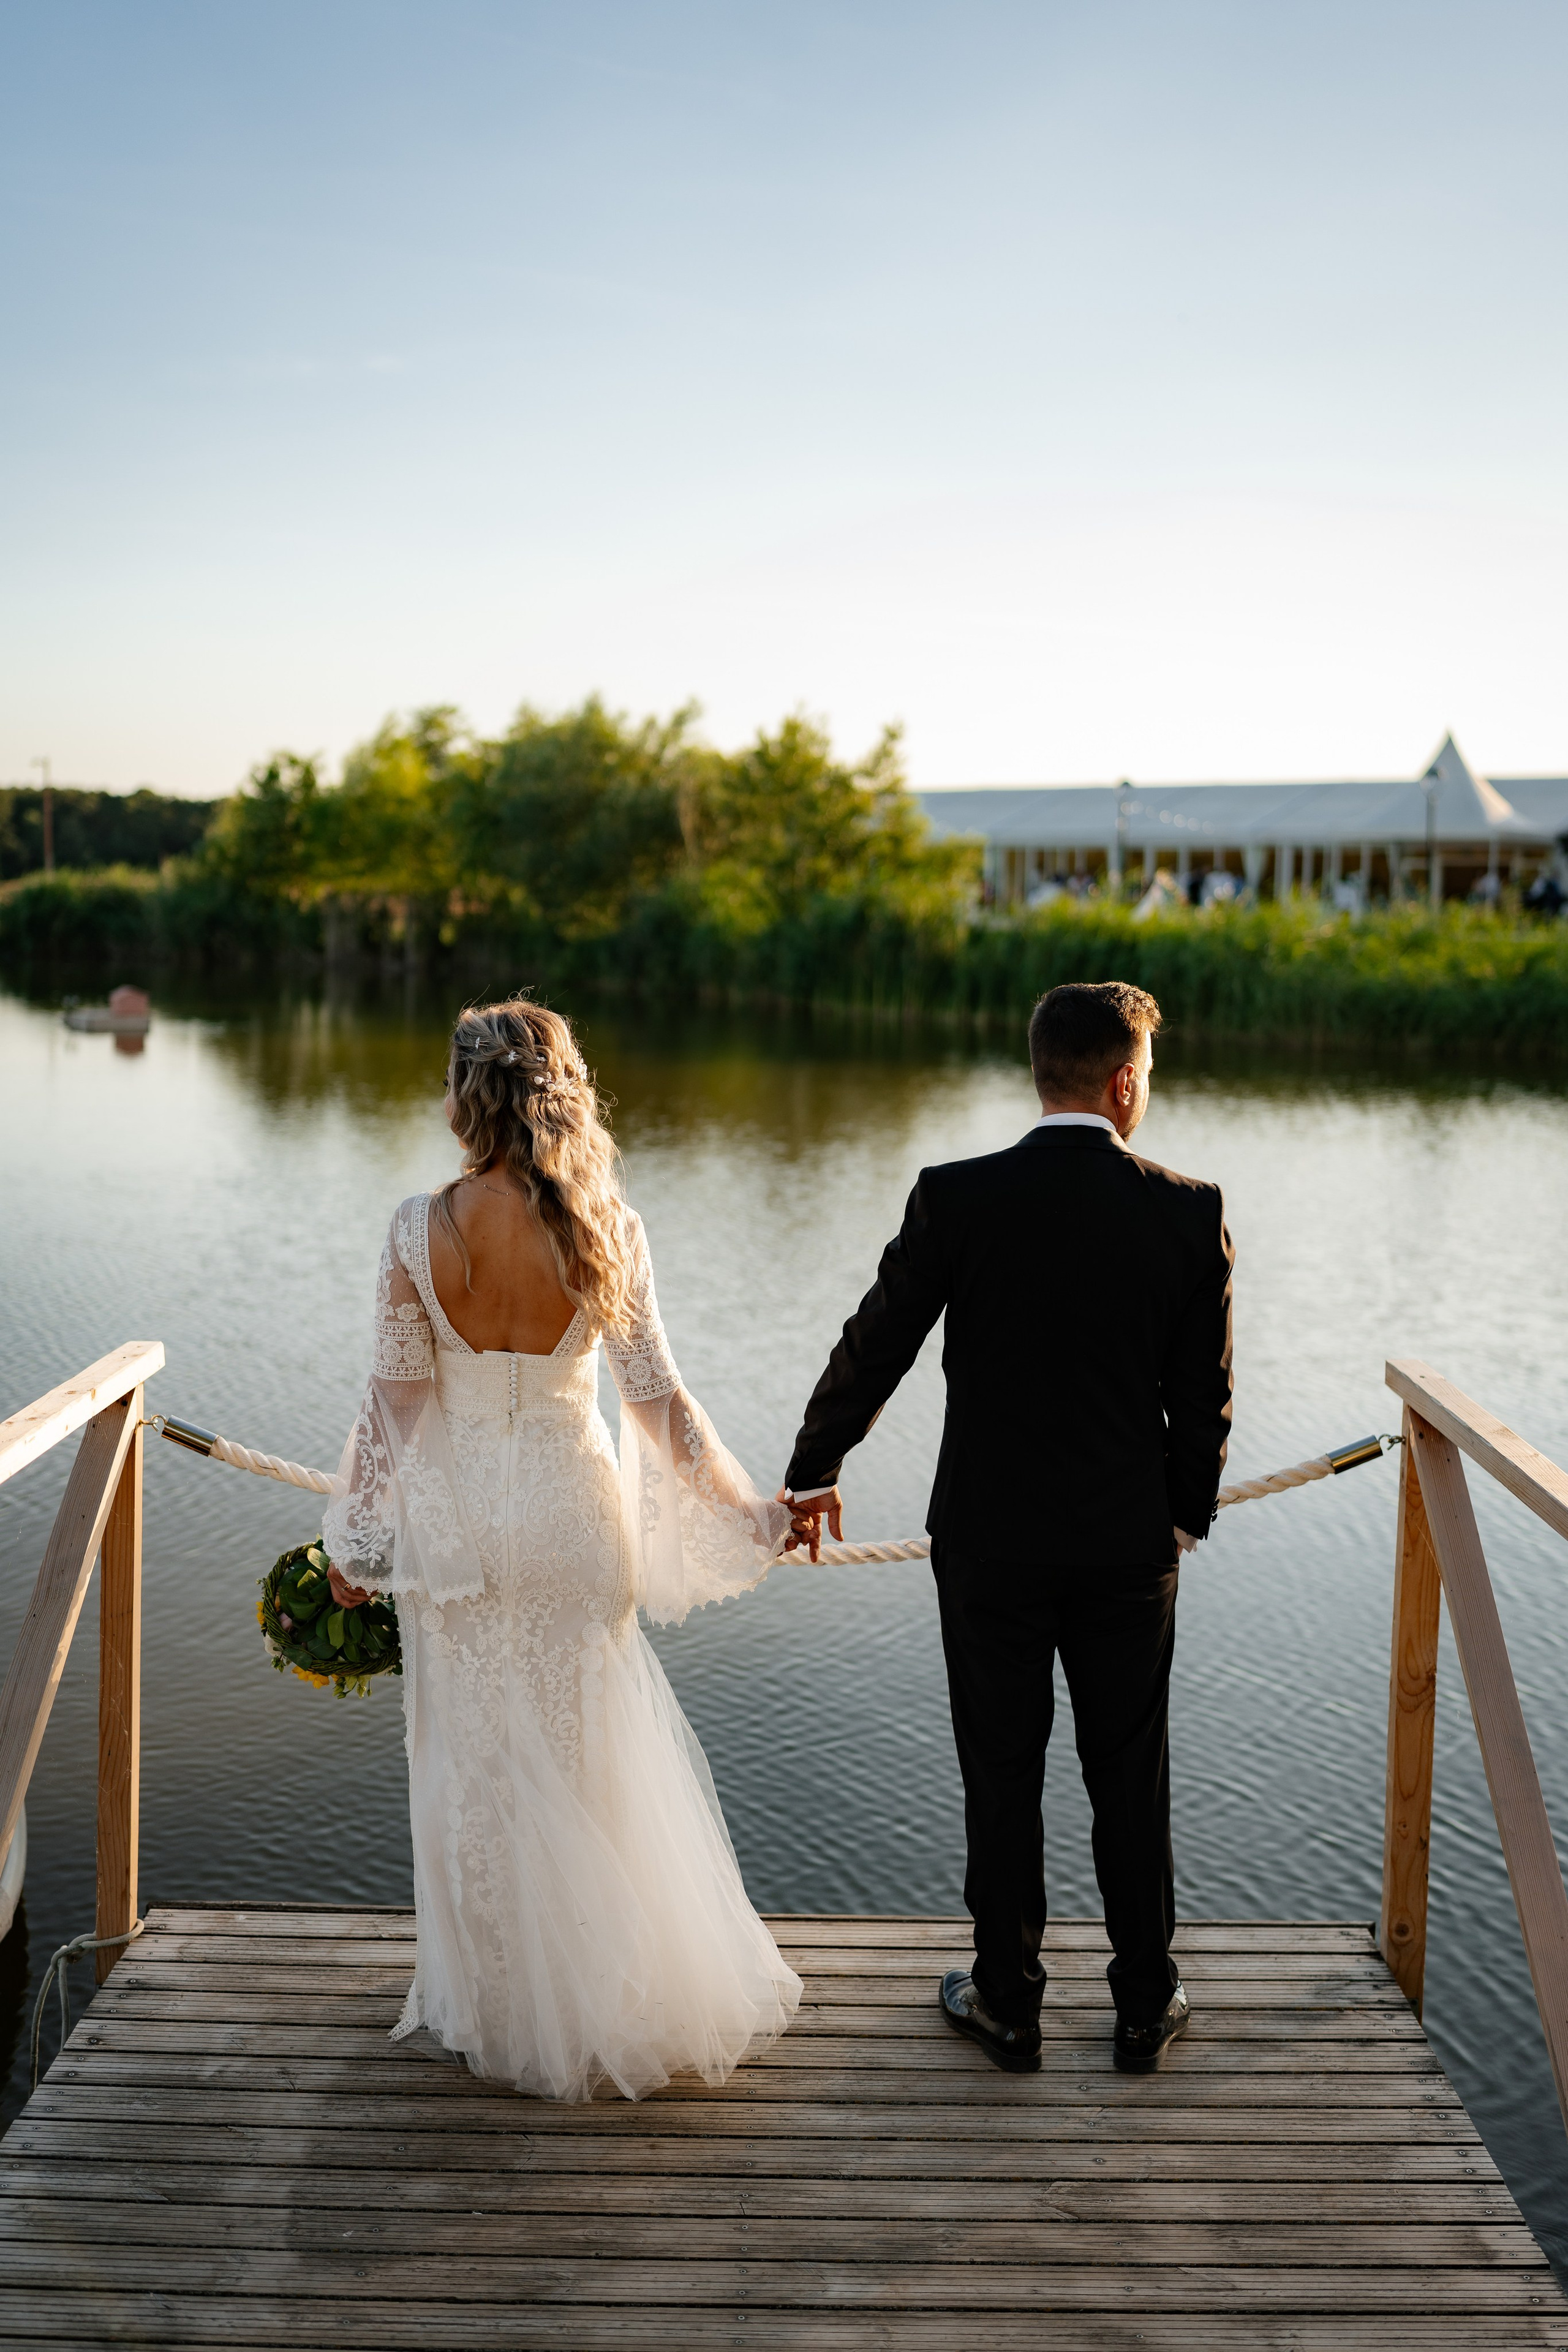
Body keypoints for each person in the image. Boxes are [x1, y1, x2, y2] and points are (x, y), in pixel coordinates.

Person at [322, 995, 801, 2101]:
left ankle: (500, 2009)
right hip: (571, 1513)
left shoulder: (414, 1228)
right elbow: (661, 1409)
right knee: (592, 1762)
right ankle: (601, 1997)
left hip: (462, 1529)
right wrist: (751, 1512)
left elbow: (389, 1413)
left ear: (462, 1100)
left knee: (473, 1767)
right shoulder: (608, 1227)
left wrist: (353, 1538)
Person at [779, 981, 1233, 2074]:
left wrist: (812, 1471)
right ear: (1125, 1082)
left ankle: (1009, 2001)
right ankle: (1141, 2004)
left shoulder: (958, 1196)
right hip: (1129, 1549)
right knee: (1131, 1770)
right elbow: (1204, 1399)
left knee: (1000, 1767)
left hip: (988, 1543)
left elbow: (874, 1342)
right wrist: (1183, 1517)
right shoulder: (1185, 1207)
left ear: (1044, 1072)